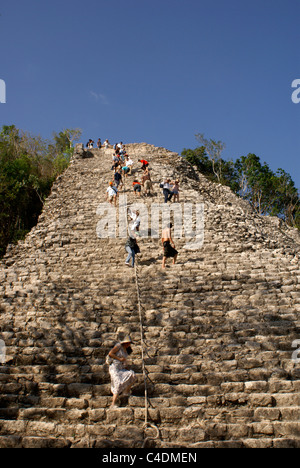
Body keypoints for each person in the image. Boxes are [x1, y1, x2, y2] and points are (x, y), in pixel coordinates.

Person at [108, 336, 137, 408]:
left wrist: (127, 367)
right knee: (117, 382)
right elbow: (110, 353)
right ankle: (113, 403)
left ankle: (125, 392)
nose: (128, 345)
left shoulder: (126, 351)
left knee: (132, 374)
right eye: (127, 343)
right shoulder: (118, 346)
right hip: (114, 367)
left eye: (129, 343)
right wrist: (119, 359)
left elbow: (124, 362)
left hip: (121, 368)